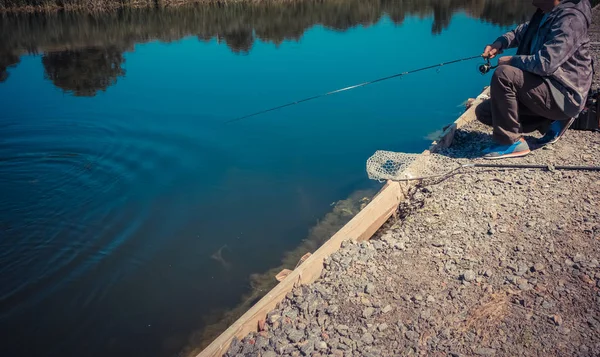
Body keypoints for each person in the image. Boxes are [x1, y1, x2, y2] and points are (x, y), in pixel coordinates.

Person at [477, 0, 593, 160]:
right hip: (547, 86)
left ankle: (511, 142)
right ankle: (550, 122)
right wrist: (500, 43)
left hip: (565, 93)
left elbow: (546, 63)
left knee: (504, 74)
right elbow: (521, 32)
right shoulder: (547, 12)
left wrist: (511, 60)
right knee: (485, 112)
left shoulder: (571, 19)